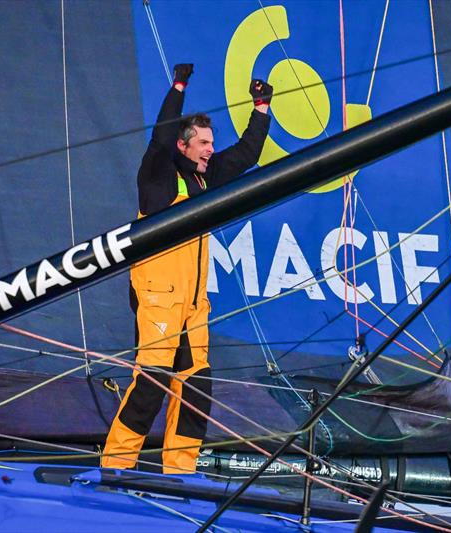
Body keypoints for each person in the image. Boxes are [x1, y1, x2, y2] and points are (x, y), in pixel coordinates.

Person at [101, 64, 273, 474]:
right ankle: (115, 466)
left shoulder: (206, 178)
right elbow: (161, 136)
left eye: (212, 142)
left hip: (194, 305)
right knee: (151, 385)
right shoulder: (158, 176)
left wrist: (261, 107)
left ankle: (181, 471)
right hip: (159, 299)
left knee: (196, 387)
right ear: (184, 146)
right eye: (203, 143)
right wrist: (178, 87)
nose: (211, 149)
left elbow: (246, 154)